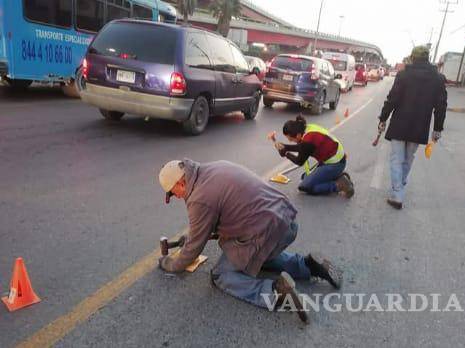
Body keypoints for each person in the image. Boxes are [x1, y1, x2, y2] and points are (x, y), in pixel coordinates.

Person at [157, 159, 343, 323]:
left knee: (221, 274)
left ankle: (277, 293)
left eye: (174, 193)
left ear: (180, 182)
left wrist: (169, 264)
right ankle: (309, 266)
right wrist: (192, 237)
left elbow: (192, 250)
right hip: (285, 220)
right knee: (258, 256)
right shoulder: (214, 168)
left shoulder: (198, 199)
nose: (177, 197)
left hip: (264, 232)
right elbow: (222, 217)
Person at [378, 46, 447, 209]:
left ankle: (397, 194)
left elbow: (392, 99)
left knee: (396, 159)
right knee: (408, 158)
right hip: (419, 125)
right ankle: (399, 186)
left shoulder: (404, 75)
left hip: (400, 124)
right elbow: (441, 106)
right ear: (428, 58)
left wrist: (383, 118)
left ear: (413, 58)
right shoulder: (438, 79)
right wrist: (437, 128)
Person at [274, 115, 354, 198]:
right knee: (305, 177)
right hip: (332, 160)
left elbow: (299, 161)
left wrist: (286, 153)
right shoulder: (307, 129)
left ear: (298, 135)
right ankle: (338, 176)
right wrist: (285, 147)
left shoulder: (308, 140)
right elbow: (302, 147)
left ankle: (338, 185)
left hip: (335, 164)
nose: (289, 141)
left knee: (305, 187)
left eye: (290, 139)